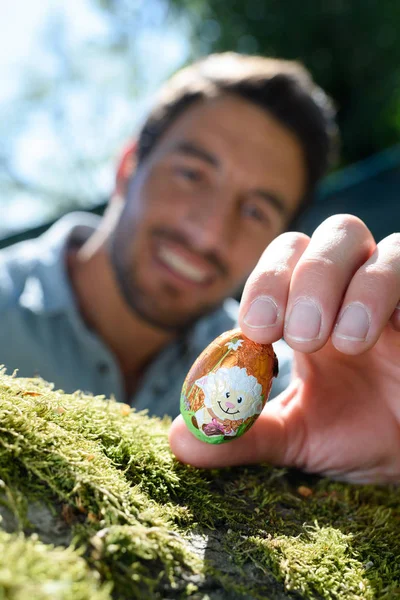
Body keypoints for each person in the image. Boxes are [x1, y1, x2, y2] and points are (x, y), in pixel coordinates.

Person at [1, 53, 399, 484]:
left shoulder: (286, 386)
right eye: (192, 175)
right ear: (127, 167)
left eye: (255, 212)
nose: (210, 233)